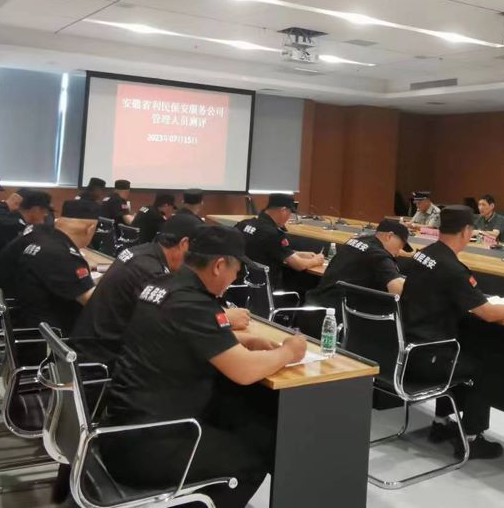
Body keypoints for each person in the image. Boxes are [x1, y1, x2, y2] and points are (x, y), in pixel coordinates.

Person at [98, 226, 308, 508]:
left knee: (251, 424)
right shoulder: (193, 302)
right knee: (253, 459)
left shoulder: (162, 285)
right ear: (219, 265)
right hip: (150, 445)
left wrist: (245, 340)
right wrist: (288, 351)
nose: (234, 280)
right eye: (236, 272)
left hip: (120, 430)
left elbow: (179, 333)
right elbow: (245, 371)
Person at [400, 206, 504, 459]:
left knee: (465, 347)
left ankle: (441, 423)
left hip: (410, 349)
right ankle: (471, 438)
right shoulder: (453, 269)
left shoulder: (422, 255)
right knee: (485, 365)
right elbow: (488, 313)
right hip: (430, 356)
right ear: (467, 231)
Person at [74, 212, 250, 366]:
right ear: (184, 244)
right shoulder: (151, 271)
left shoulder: (143, 253)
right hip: (105, 361)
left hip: (95, 349)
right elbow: (167, 320)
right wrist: (224, 318)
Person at [11, 199, 98, 333]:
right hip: (52, 336)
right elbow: (93, 302)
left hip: (31, 322)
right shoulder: (61, 254)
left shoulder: (46, 241)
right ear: (90, 229)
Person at [305, 220, 410, 316]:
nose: (398, 253)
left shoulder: (354, 241)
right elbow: (397, 291)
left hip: (314, 305)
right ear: (389, 236)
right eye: (400, 246)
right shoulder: (378, 255)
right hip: (338, 317)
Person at [236, 193, 323, 290]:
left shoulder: (243, 225)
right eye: (290, 213)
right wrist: (316, 260)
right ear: (283, 210)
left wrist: (298, 254)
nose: (289, 217)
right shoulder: (274, 234)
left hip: (240, 285)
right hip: (265, 289)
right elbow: (298, 265)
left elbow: (271, 250)